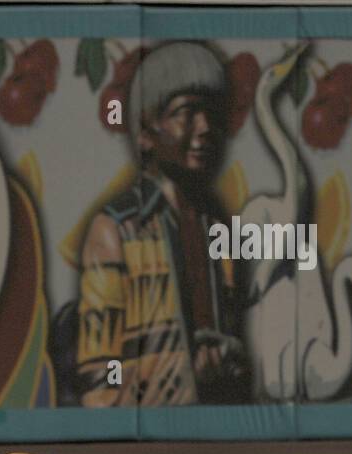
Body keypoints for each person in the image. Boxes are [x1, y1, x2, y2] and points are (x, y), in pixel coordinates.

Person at [77, 41, 251, 407]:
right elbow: (99, 371)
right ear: (145, 133)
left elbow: (234, 329)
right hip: (146, 440)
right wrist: (181, 379)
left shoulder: (215, 224)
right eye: (185, 113)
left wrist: (229, 359)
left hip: (220, 431)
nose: (204, 128)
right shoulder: (116, 230)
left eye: (211, 114)